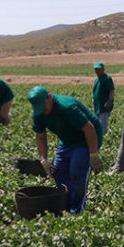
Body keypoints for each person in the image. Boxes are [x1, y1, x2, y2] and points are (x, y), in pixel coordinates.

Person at [28, 86, 104, 214]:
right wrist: (43, 159)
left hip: (85, 139)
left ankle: (77, 209)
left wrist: (93, 154)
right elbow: (40, 136)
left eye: (44, 107)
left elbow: (89, 128)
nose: (43, 112)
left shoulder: (66, 107)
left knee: (77, 173)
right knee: (59, 173)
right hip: (67, 139)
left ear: (50, 97)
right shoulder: (38, 113)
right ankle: (63, 207)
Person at [92, 62, 115, 136]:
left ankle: (103, 142)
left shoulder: (107, 78)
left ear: (103, 69)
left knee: (103, 129)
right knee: (97, 128)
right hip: (98, 108)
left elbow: (111, 90)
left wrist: (110, 101)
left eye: (98, 69)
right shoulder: (97, 79)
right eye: (96, 69)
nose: (97, 71)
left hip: (104, 107)